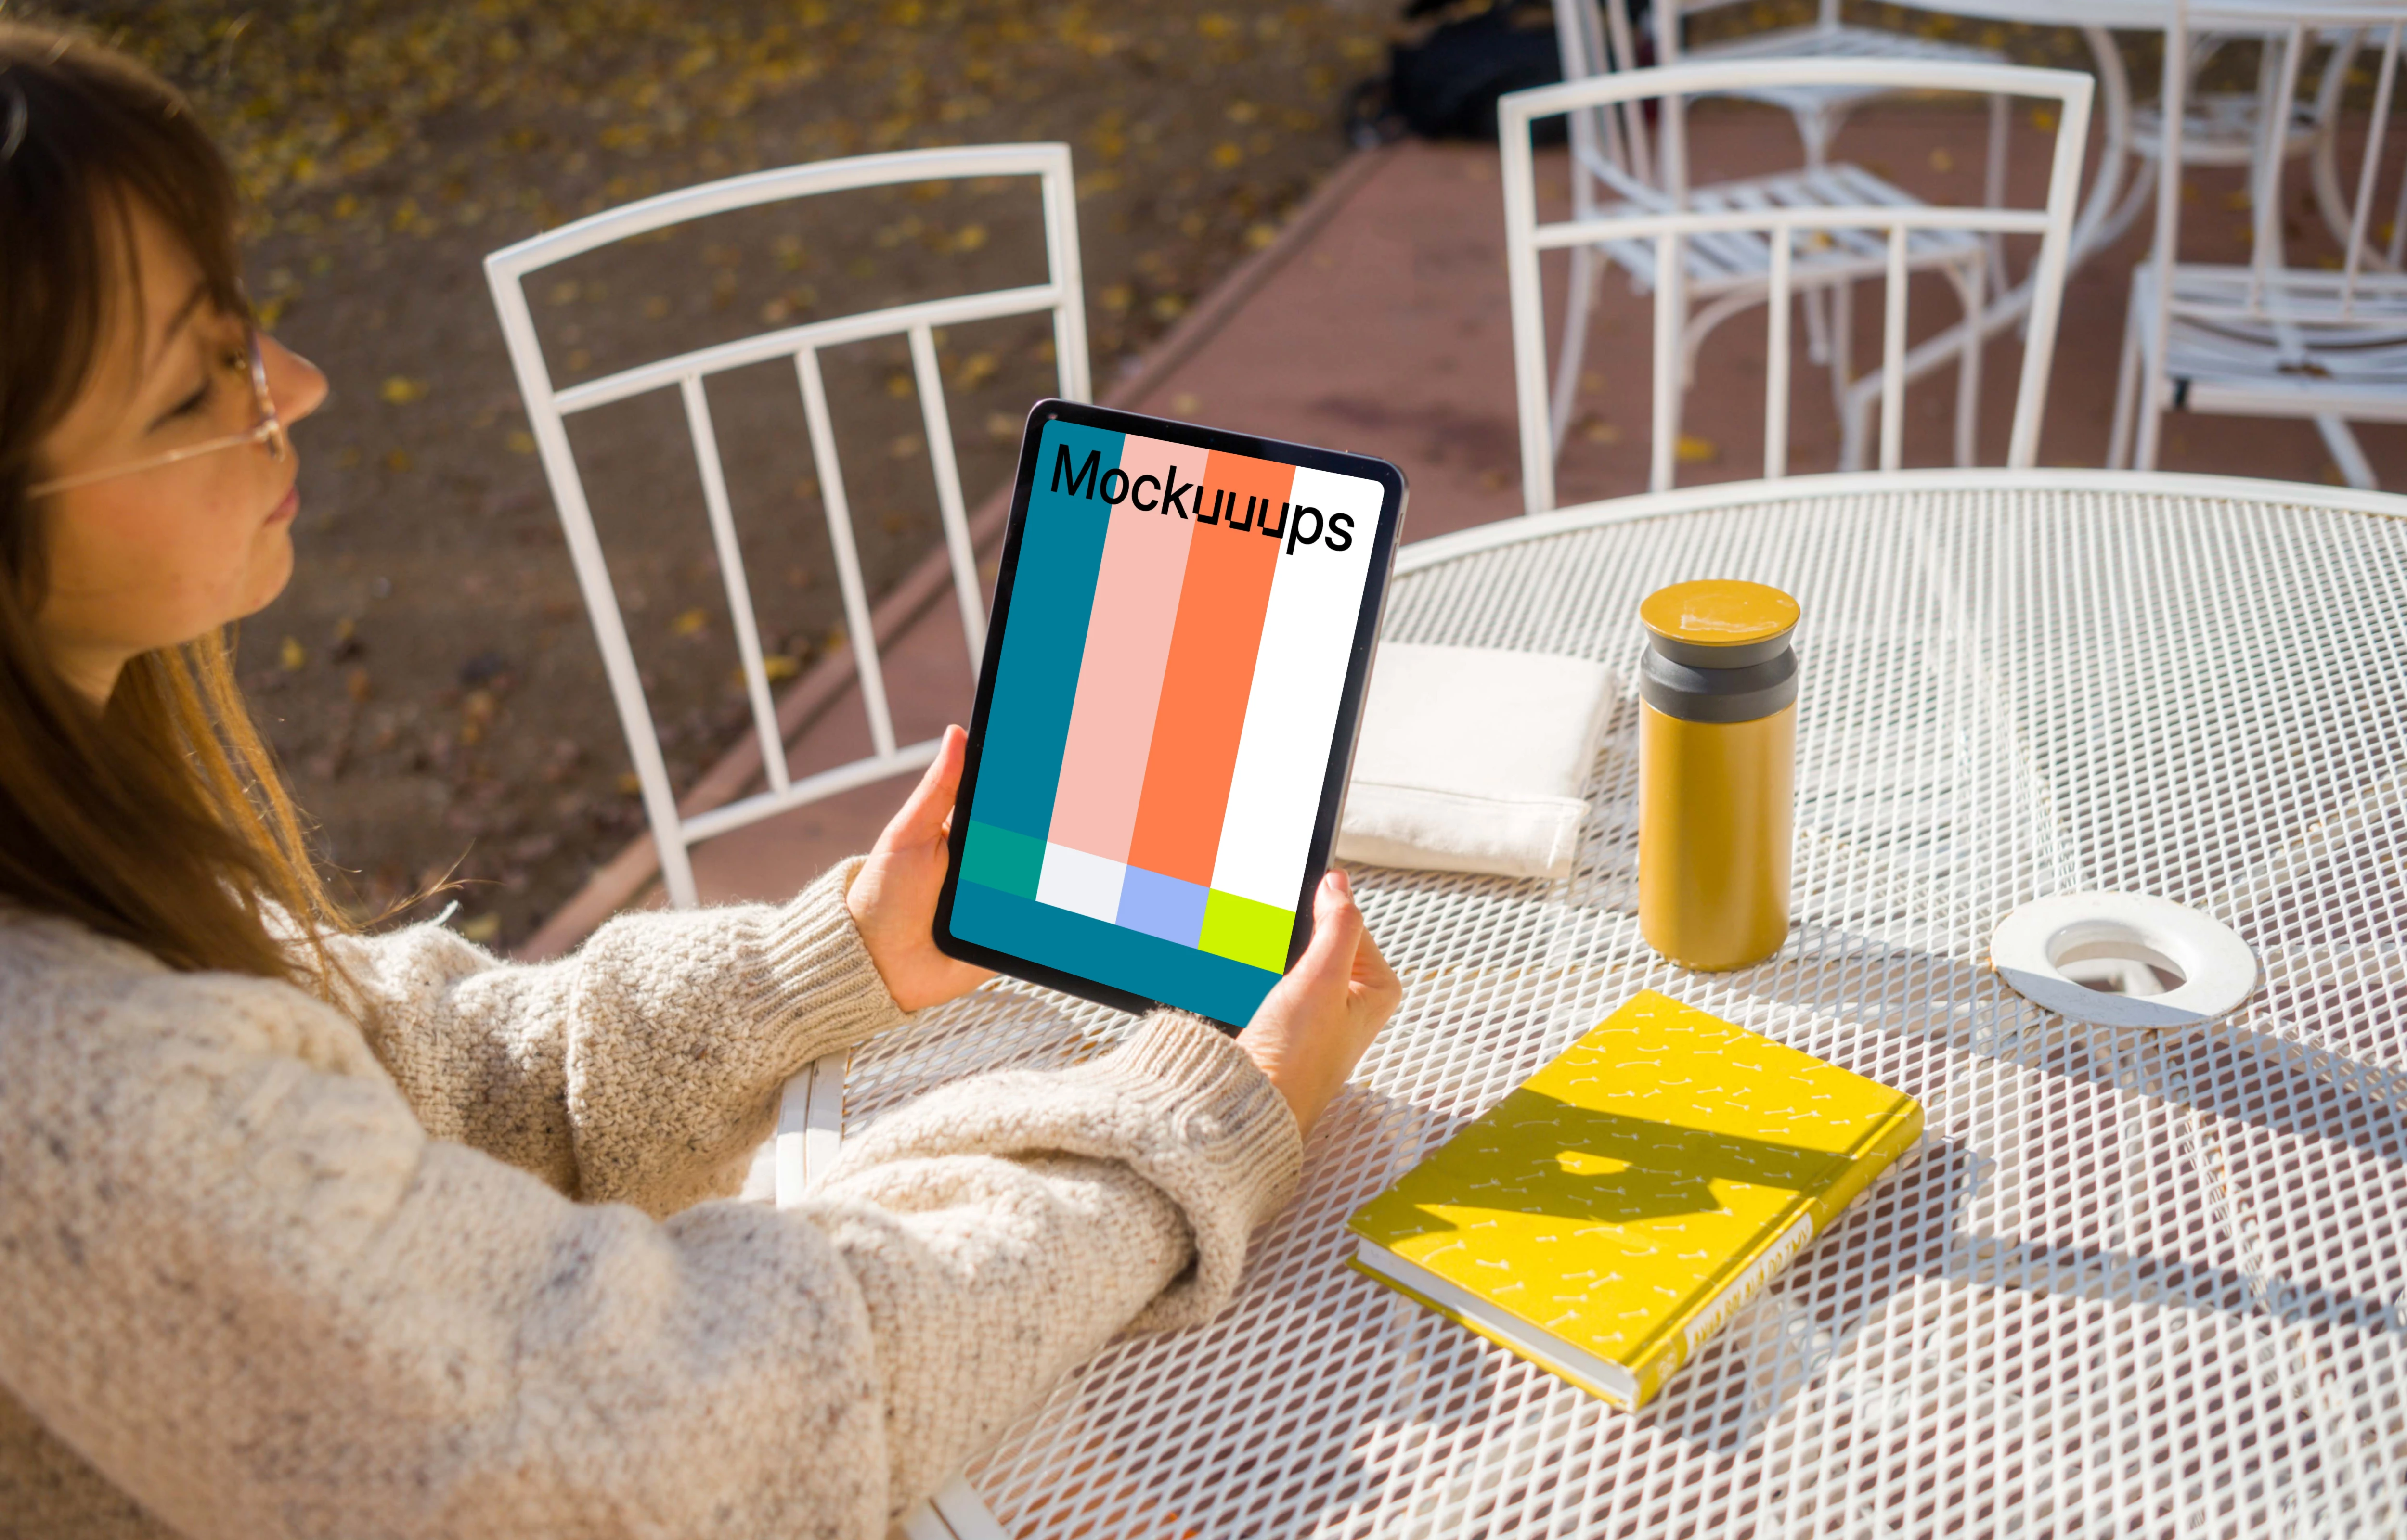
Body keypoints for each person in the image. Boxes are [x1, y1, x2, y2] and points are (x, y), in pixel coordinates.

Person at [0, 23, 1403, 1538]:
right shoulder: (75, 1104)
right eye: (198, 385)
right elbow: (675, 1427)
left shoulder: (82, 876)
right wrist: (1207, 1121)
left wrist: (835, 958)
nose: (302, 381)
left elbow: (439, 1081)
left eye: (247, 327)